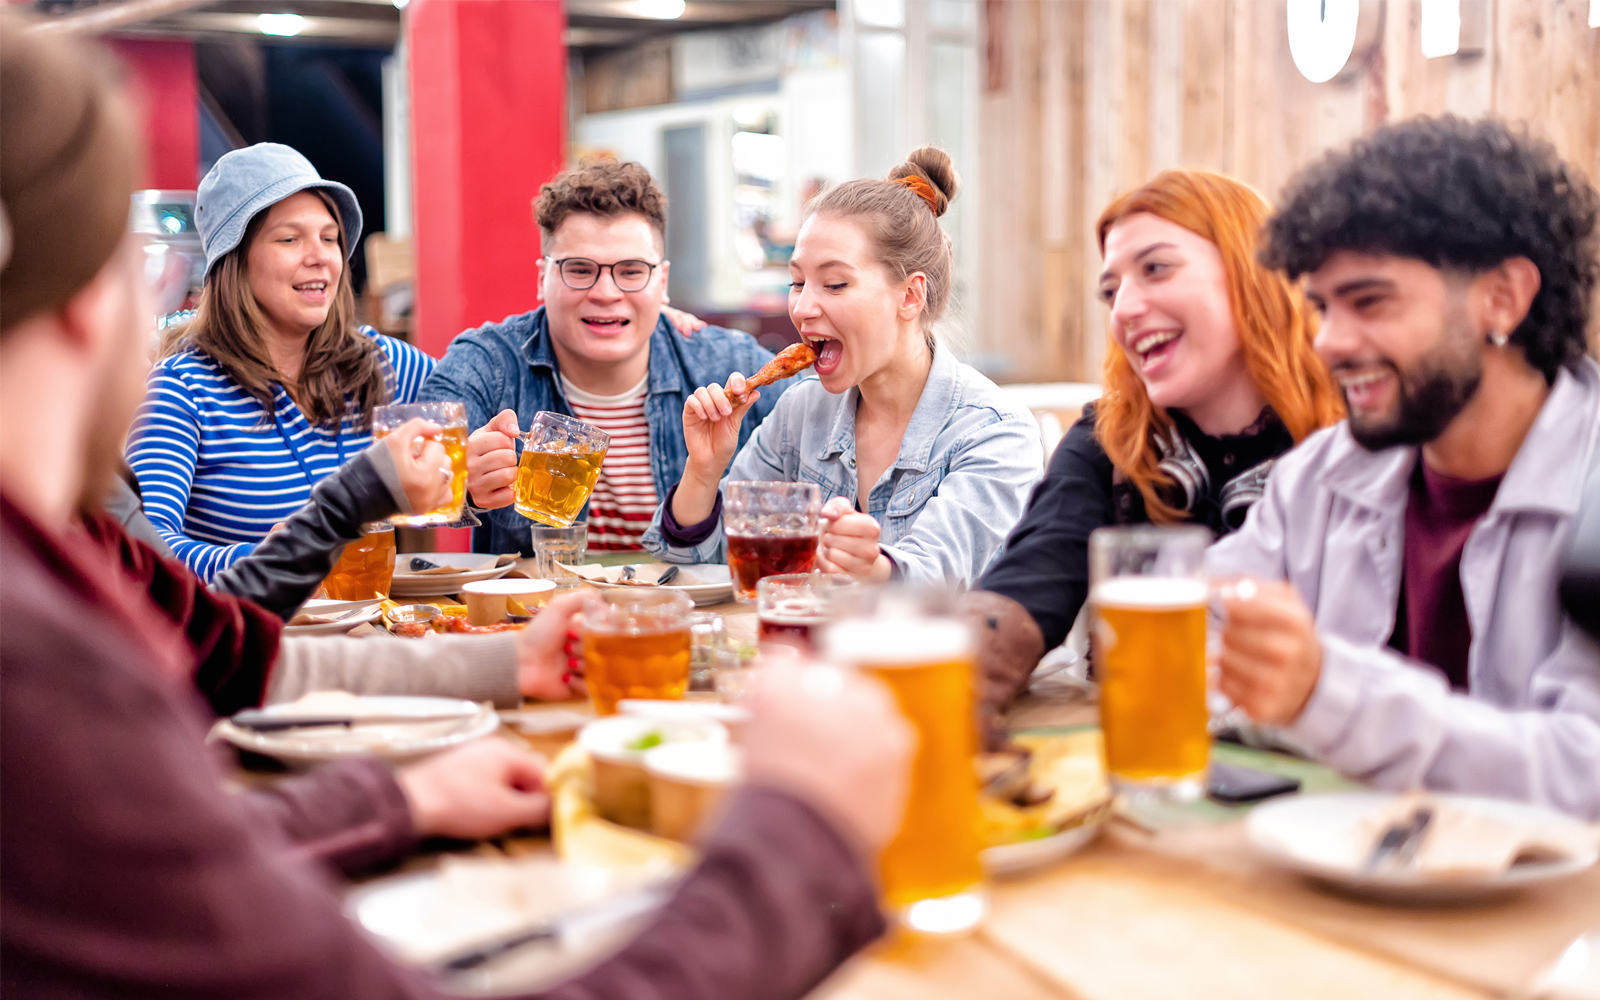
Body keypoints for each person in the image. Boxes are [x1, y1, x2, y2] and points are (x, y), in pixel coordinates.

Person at [0, 22, 913, 998]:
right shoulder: (48, 649)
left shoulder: (71, 566)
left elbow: (229, 670)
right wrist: (799, 834)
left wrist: (408, 776)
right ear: (97, 300)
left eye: (634, 272)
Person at [1209, 116, 1600, 819]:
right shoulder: (1322, 475)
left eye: (1370, 301)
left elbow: (1585, 772)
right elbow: (1198, 646)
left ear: (1503, 296)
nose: (1329, 342)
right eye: (1323, 307)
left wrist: (1327, 695)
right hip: (1342, 882)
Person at [965, 169, 1343, 732]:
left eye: (1156, 269)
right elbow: (1023, 592)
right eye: (1111, 291)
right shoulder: (1111, 441)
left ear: (1253, 273)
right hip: (1149, 772)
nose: (1123, 310)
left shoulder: (1352, 437)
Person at [641, 147, 1043, 585]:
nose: (803, 306)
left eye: (834, 283)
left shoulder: (995, 432)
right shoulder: (801, 412)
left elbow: (941, 580)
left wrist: (870, 567)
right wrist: (703, 470)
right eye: (797, 282)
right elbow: (710, 563)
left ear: (910, 296)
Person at [418, 159, 792, 555]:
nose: (607, 292)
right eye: (580, 269)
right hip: (536, 615)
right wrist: (458, 482)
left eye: (631, 271)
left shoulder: (726, 365)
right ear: (542, 279)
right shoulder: (490, 363)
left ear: (660, 282)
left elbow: (833, 413)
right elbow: (404, 473)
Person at [125, 142, 436, 581]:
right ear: (235, 260)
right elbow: (142, 550)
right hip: (252, 639)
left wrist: (484, 466)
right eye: (290, 238)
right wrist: (263, 558)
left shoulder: (378, 362)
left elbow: (472, 408)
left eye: (330, 238)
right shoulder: (182, 388)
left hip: (372, 633)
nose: (320, 256)